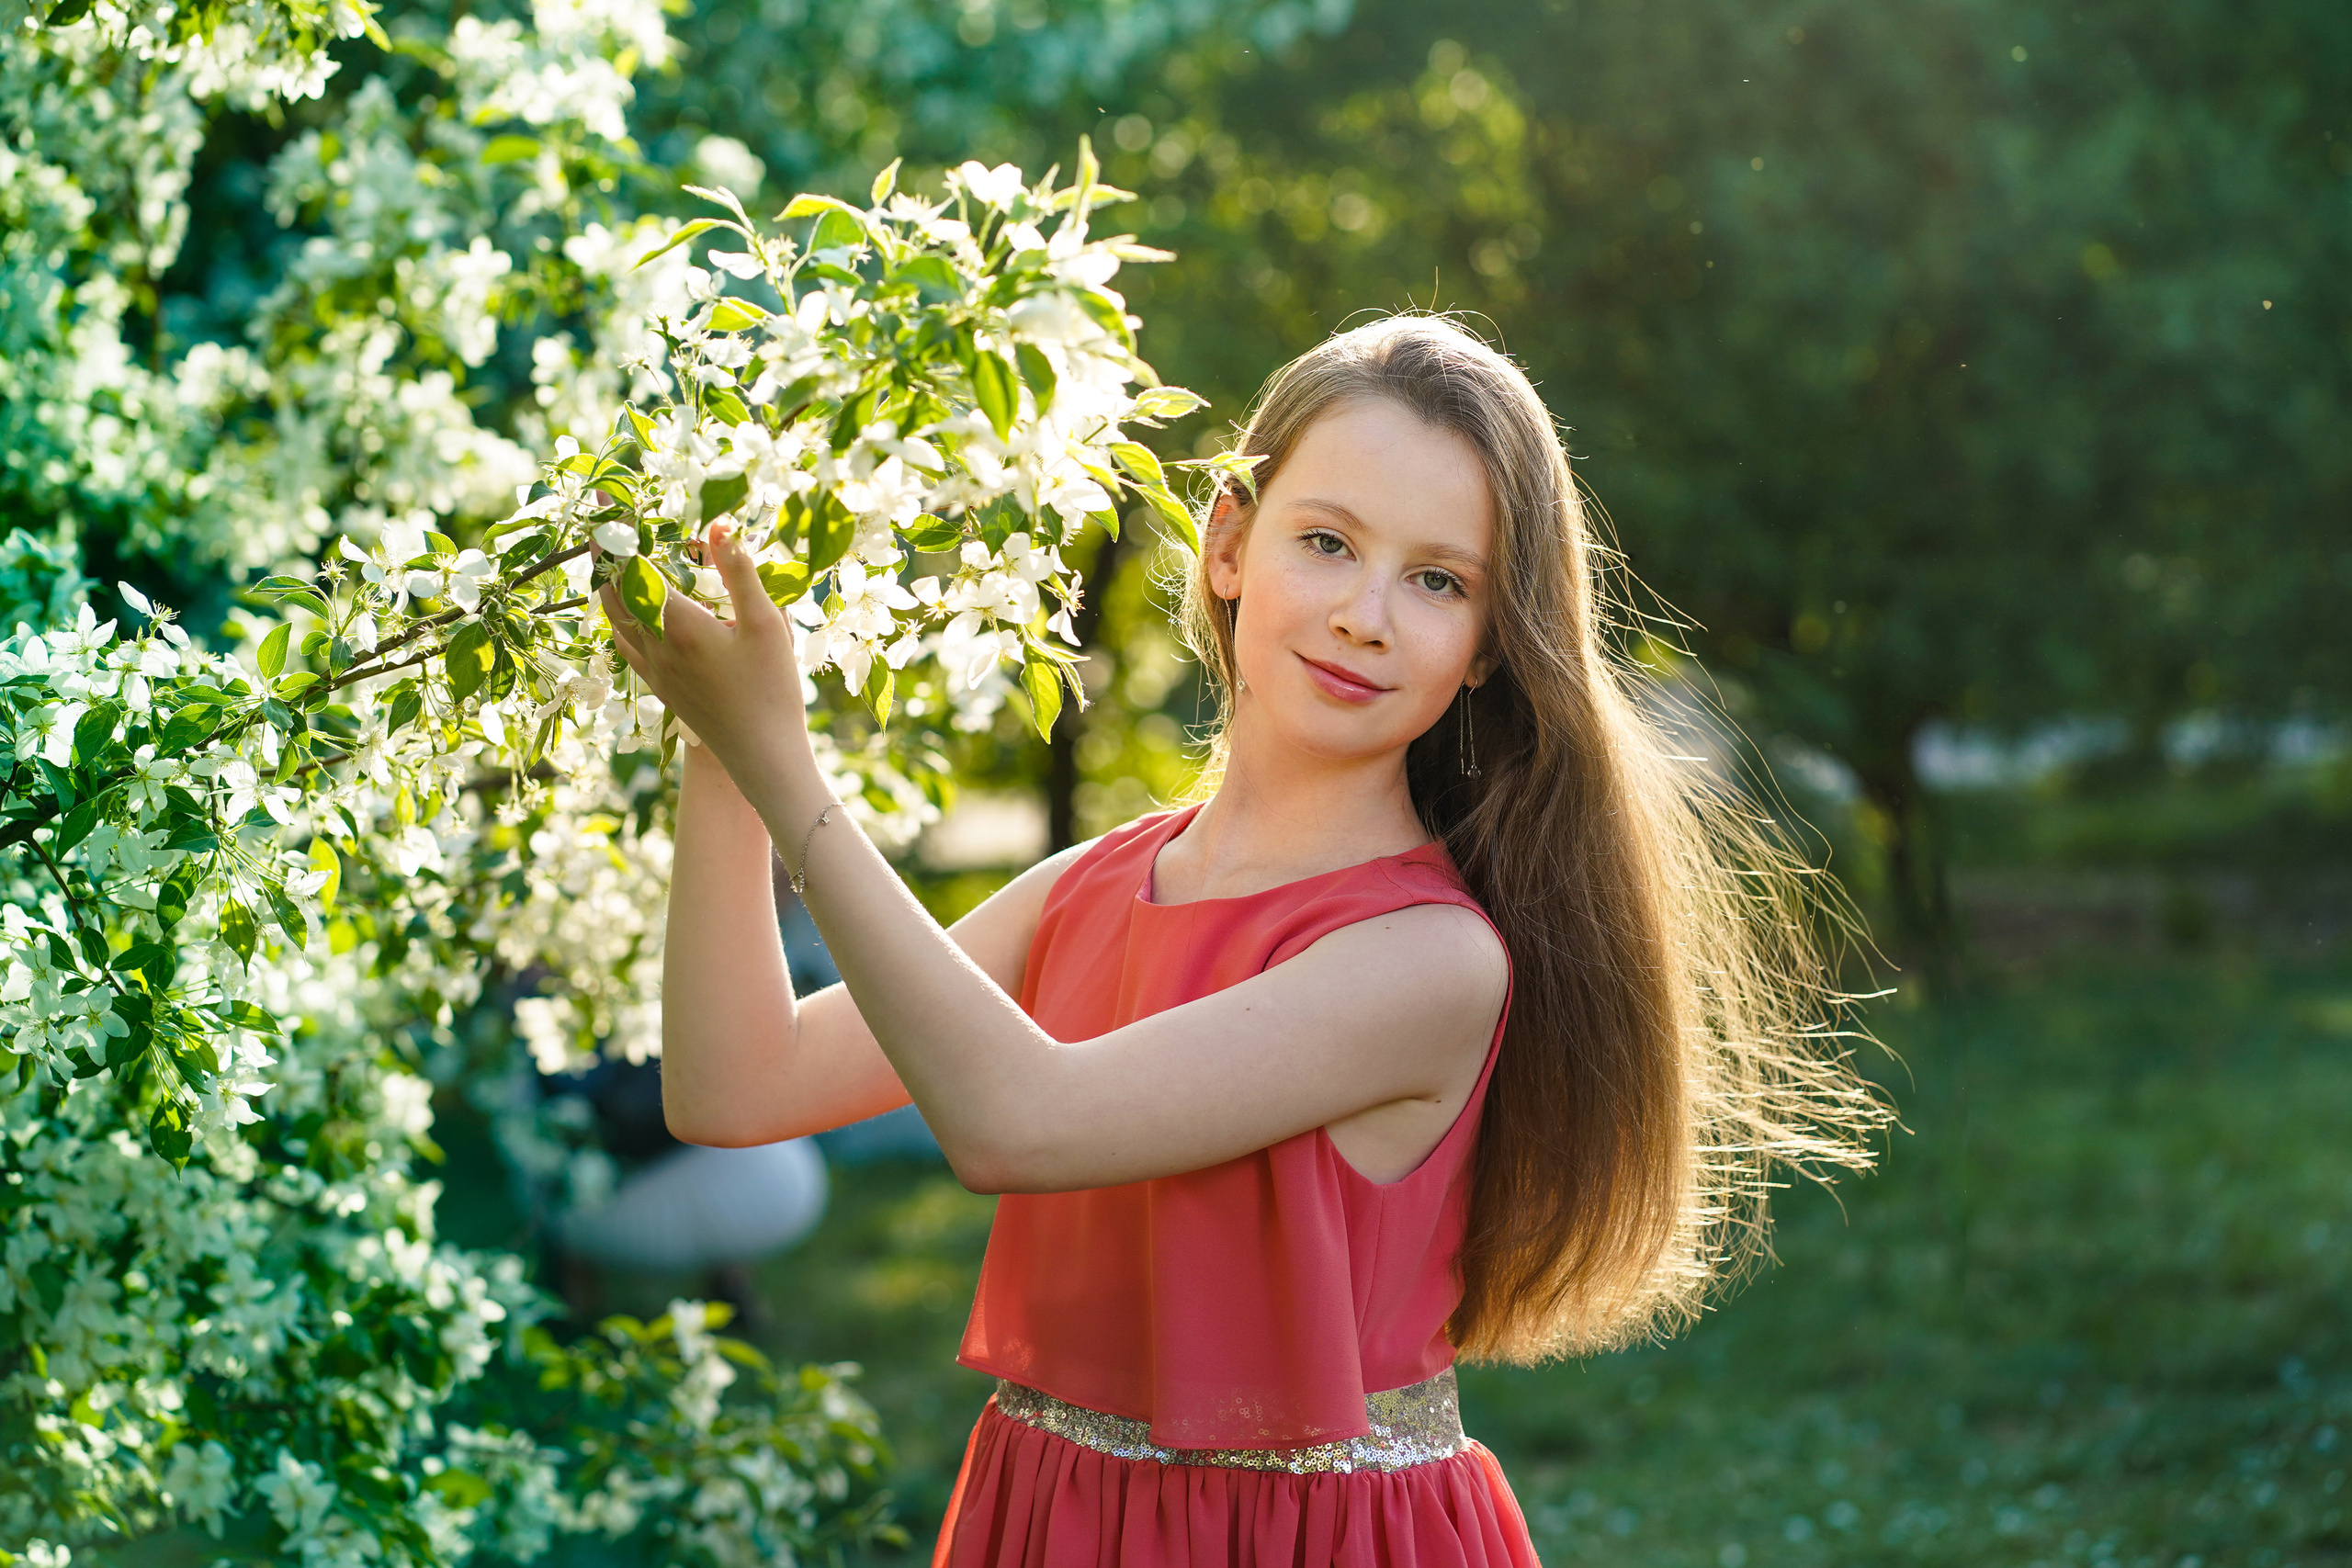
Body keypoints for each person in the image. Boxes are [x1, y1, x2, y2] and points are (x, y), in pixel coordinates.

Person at [607, 315, 1892, 1567]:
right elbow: (734, 1087)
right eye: (1327, 542)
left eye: (1439, 581)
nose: (1366, 615)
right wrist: (724, 748)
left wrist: (785, 764)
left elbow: (1017, 1125)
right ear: (1228, 543)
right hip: (1053, 1520)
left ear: (1489, 646)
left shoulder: (1428, 959)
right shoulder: (1096, 887)